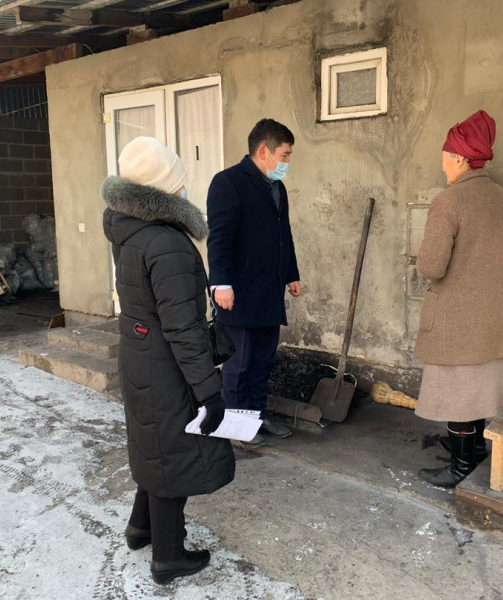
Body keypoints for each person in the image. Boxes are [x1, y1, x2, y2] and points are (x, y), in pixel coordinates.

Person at [102, 136, 235, 584]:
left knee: (154, 445)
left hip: (140, 354)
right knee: (173, 454)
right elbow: (182, 328)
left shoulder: (129, 230)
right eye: (178, 182)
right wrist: (209, 391)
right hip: (165, 364)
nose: (184, 188)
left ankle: (141, 528)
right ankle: (169, 556)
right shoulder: (166, 242)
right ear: (163, 188)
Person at [414, 110, 503, 488]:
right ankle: (474, 448)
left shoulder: (448, 201)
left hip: (456, 322)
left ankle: (460, 466)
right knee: (479, 390)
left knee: (458, 395)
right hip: (495, 320)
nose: (442, 165)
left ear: (459, 159)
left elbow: (432, 266)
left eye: (444, 158)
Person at [206, 119, 302, 448]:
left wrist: (291, 273)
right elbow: (219, 239)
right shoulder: (228, 183)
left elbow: (284, 234)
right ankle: (236, 425)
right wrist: (221, 284)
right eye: (284, 155)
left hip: (269, 291)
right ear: (264, 151)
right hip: (239, 292)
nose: (287, 162)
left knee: (262, 360)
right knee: (239, 364)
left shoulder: (277, 187)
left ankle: (257, 415)